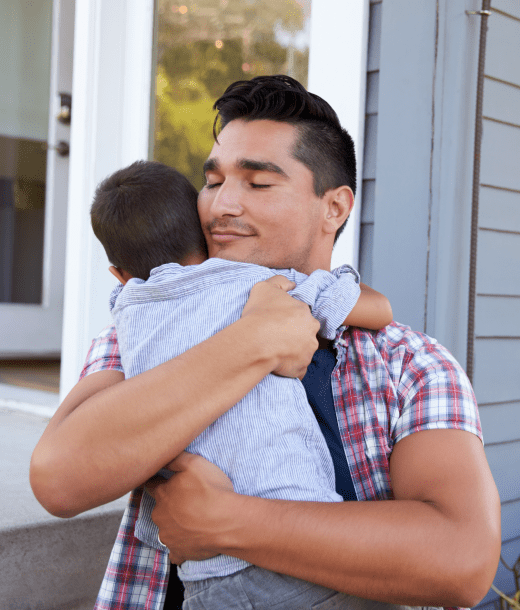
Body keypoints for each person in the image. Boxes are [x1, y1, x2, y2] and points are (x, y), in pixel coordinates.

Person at [30, 76, 501, 610]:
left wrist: (226, 522)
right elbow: (60, 479)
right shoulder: (144, 329)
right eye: (212, 182)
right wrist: (252, 342)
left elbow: (462, 560)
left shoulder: (410, 365)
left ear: (335, 208)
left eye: (258, 184)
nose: (220, 205)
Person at [89, 158, 391, 608]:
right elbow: (376, 310)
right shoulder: (257, 283)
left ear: (118, 275)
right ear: (205, 236)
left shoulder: (125, 317)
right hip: (301, 544)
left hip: (203, 573)